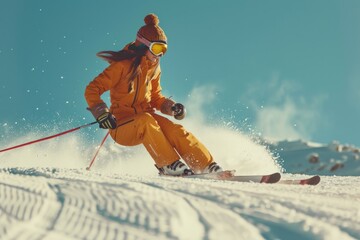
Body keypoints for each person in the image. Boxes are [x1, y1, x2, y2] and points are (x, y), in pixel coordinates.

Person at [84, 13, 223, 176]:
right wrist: (102, 113)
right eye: (157, 48)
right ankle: (168, 165)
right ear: (143, 45)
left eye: (164, 50)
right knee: (146, 120)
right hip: (121, 125)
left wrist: (172, 108)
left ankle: (205, 165)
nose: (160, 54)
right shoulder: (122, 67)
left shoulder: (154, 69)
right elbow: (92, 89)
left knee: (174, 129)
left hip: (147, 119)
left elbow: (156, 97)